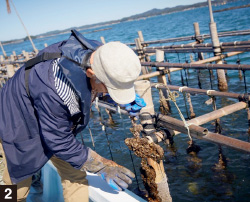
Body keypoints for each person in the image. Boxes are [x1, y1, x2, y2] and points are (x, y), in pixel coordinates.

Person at [0, 29, 146, 202]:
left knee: (76, 176)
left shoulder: (100, 54)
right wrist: (100, 165)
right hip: (17, 122)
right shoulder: (55, 89)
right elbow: (58, 140)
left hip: (52, 117)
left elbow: (94, 85)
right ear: (92, 73)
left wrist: (117, 97)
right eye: (110, 88)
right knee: (16, 186)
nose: (110, 93)